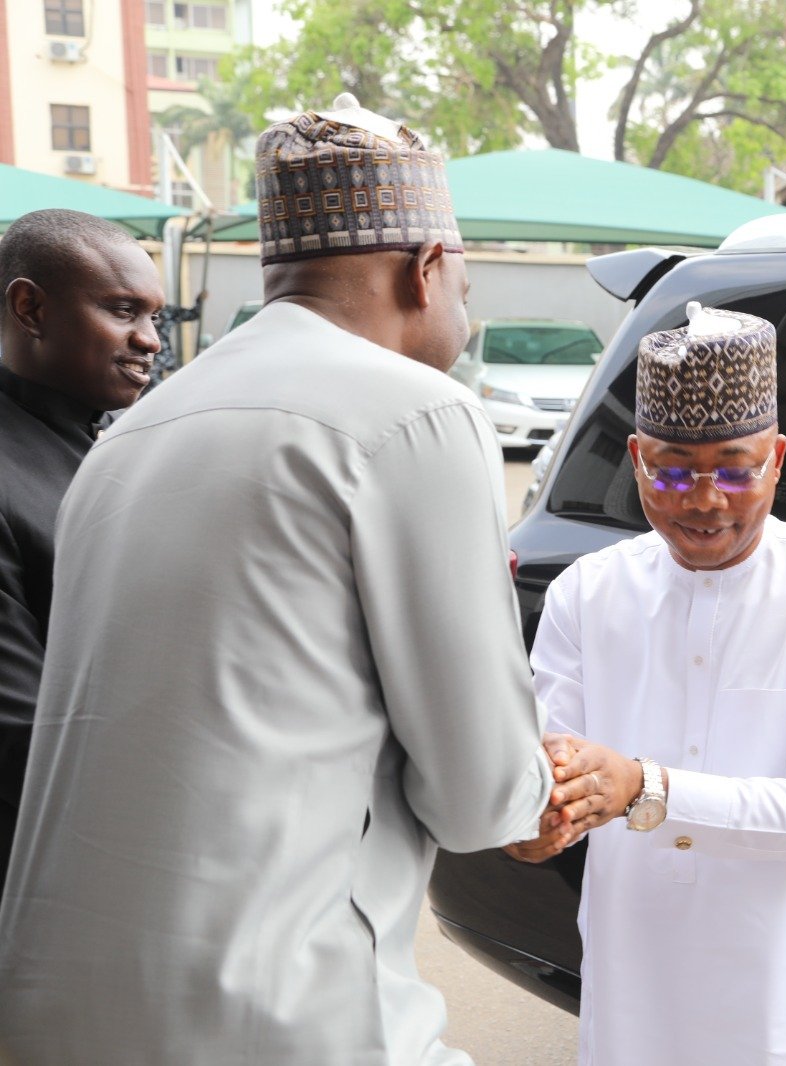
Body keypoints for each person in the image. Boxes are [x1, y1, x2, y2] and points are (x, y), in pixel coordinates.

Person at [0, 97, 551, 1064]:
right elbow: (483, 800)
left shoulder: (130, 436)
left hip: (56, 1014)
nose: (465, 318)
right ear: (426, 270)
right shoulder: (419, 413)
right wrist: (547, 775)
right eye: (467, 286)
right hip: (281, 1018)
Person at [506, 302, 786, 1065]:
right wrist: (534, 825)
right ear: (634, 458)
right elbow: (548, 773)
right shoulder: (587, 595)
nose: (704, 500)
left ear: (779, 459)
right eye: (672, 470)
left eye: (735, 468)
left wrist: (644, 788)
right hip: (639, 1003)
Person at [0, 209, 163, 894]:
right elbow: (22, 735)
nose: (149, 340)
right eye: (122, 310)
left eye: (157, 316)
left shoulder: (88, 450)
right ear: (30, 307)